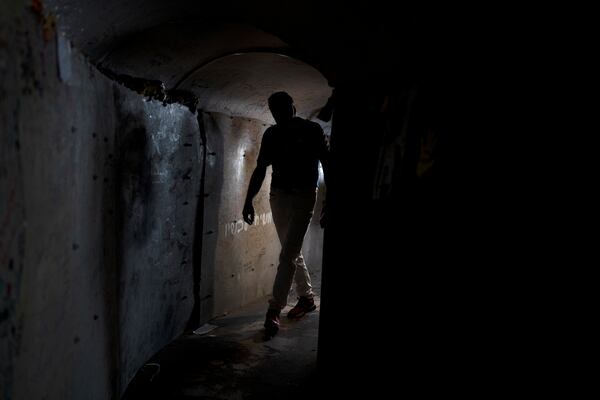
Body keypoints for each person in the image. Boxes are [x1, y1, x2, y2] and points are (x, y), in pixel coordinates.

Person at [242, 91, 329, 338]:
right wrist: (248, 201)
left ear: (293, 106)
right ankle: (307, 298)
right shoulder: (272, 134)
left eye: (282, 109)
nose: (278, 114)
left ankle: (274, 308)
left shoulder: (312, 130)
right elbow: (260, 169)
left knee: (288, 254)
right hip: (278, 195)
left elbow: (328, 163)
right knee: (291, 251)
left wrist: (329, 201)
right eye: (274, 111)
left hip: (304, 195)